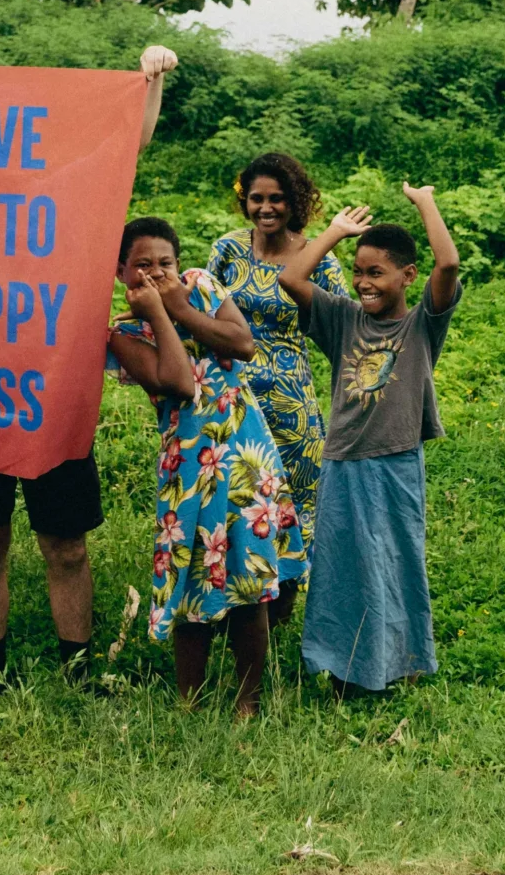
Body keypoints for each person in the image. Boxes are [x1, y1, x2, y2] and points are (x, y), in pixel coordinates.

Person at [0, 43, 179, 700]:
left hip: (52, 399)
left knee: (64, 544)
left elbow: (127, 147)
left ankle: (76, 667)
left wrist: (147, 81)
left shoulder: (70, 211)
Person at [108, 217, 305, 716]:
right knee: (191, 579)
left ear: (180, 262)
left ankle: (248, 702)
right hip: (187, 469)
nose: (155, 274)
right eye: (142, 266)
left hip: (243, 454)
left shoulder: (201, 286)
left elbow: (241, 344)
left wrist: (178, 308)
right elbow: (178, 383)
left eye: (165, 264)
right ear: (120, 271)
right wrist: (157, 314)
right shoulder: (124, 333)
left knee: (249, 581)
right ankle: (189, 701)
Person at [277, 190, 462, 697]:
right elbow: (291, 278)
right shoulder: (343, 318)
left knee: (397, 560)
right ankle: (343, 668)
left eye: (376, 273)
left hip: (397, 461)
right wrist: (334, 233)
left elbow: (448, 262)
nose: (363, 283)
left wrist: (425, 202)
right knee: (341, 566)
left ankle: (399, 661)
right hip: (341, 462)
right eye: (358, 272)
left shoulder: (422, 323)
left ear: (407, 276)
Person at [207, 151, 352, 597]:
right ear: (244, 202)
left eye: (277, 199)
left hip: (292, 412)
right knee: (234, 504)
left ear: (296, 203)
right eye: (256, 199)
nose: (266, 208)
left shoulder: (317, 258)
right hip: (231, 403)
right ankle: (234, 602)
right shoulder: (228, 249)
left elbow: (349, 326)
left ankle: (279, 610)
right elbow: (200, 311)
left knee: (291, 511)